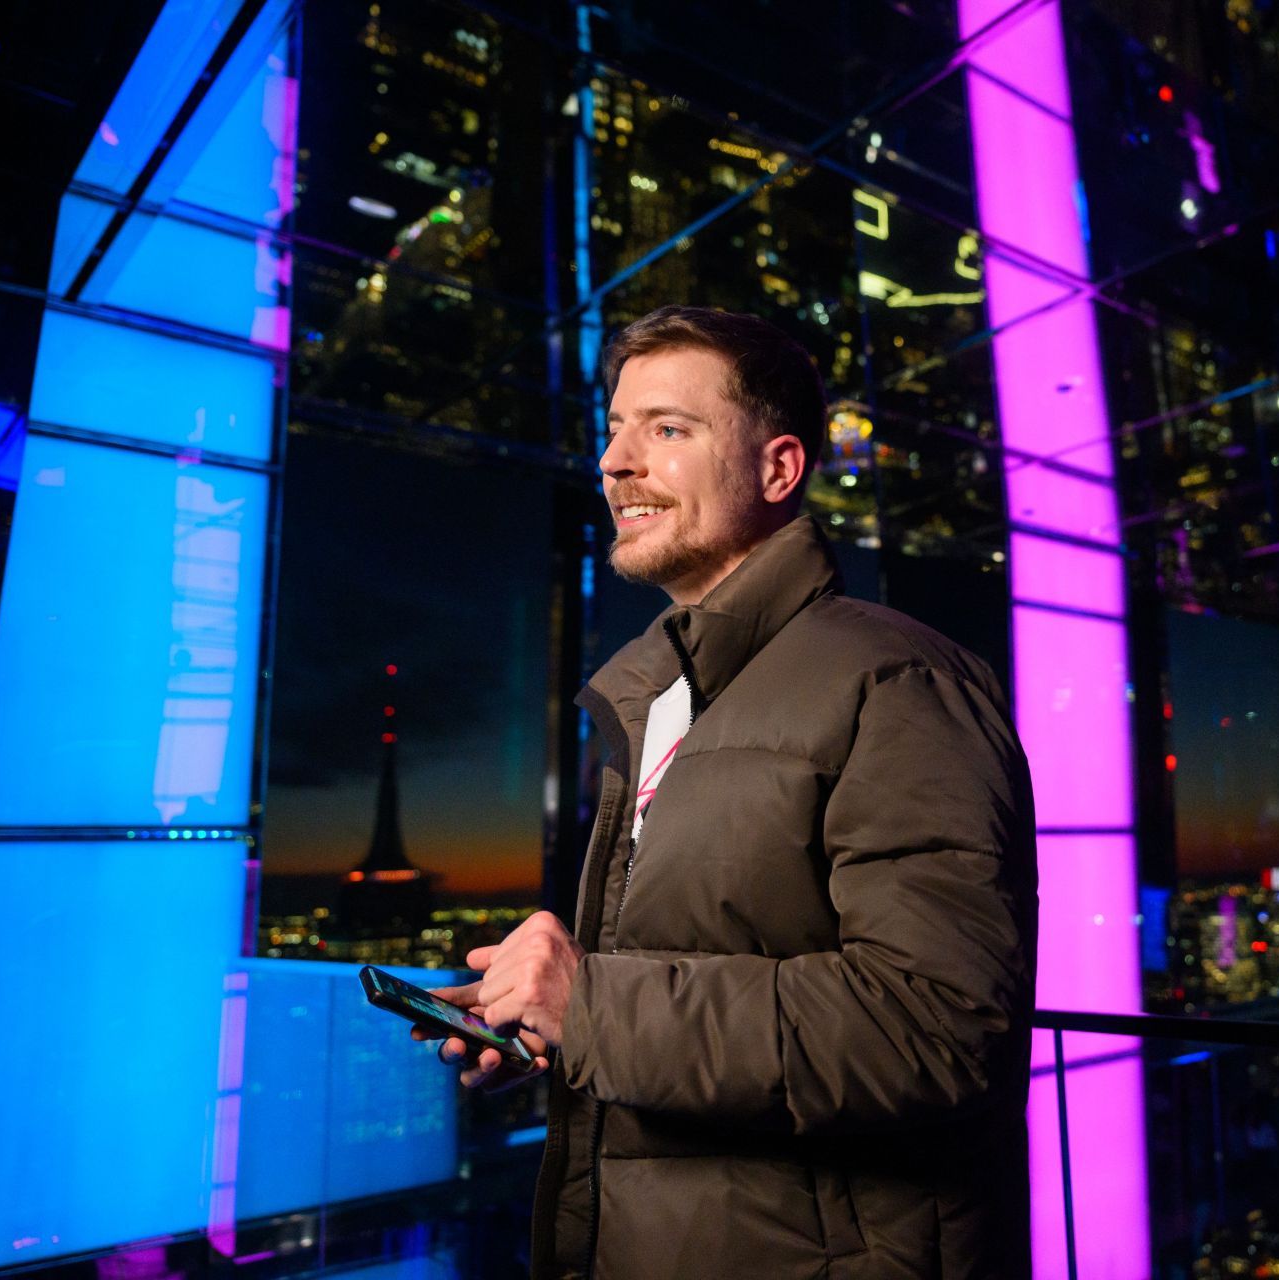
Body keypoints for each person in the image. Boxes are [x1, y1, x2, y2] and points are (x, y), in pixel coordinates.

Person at [417, 306, 1037, 1278]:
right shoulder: (664, 698)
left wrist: (596, 1006)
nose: (618, 462)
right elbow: (691, 996)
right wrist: (554, 1029)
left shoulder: (900, 681)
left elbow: (939, 1025)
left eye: (667, 429)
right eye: (615, 429)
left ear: (778, 469)